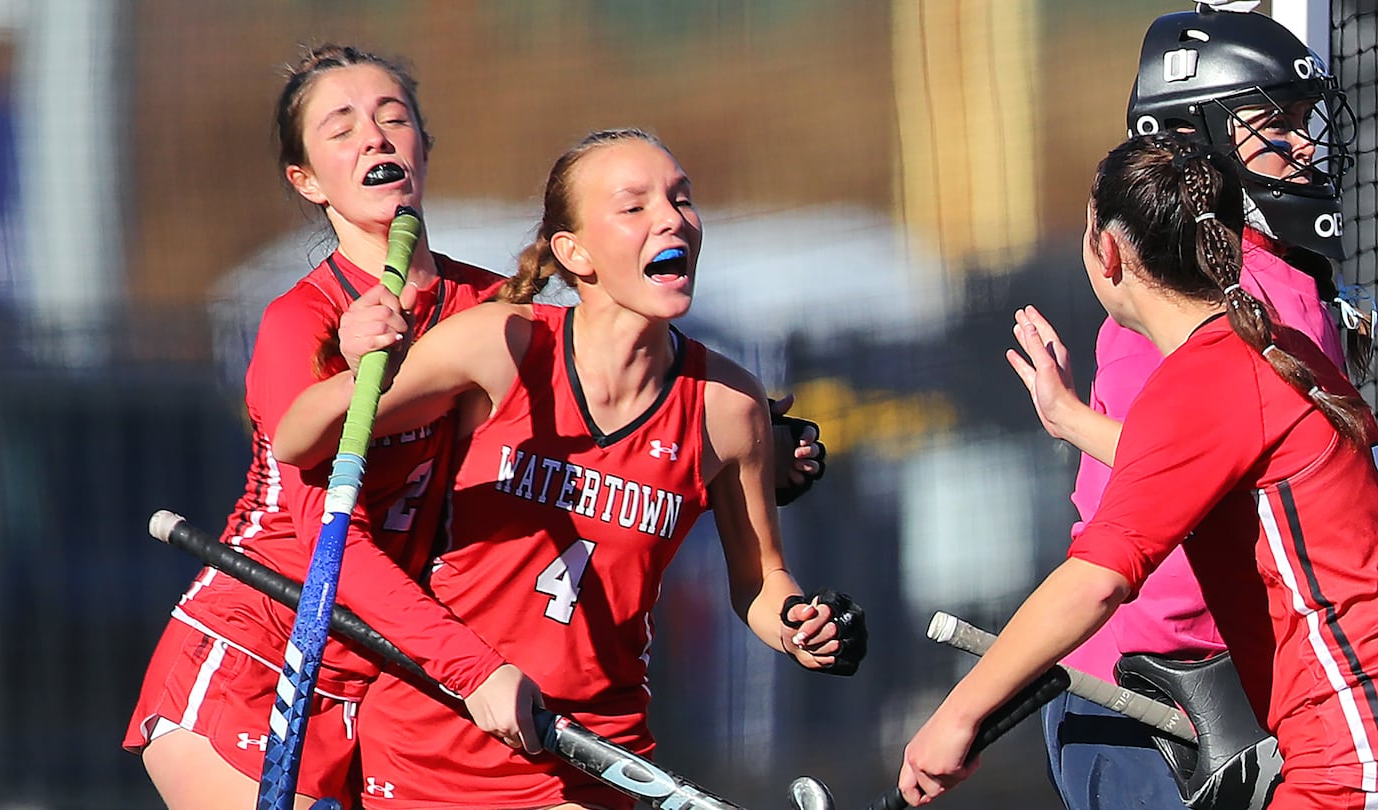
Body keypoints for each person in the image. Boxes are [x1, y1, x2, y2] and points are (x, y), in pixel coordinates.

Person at [123, 46, 829, 810]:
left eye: (394, 119)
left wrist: (755, 438)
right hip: (265, 647)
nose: (375, 138)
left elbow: (601, 377)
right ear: (305, 179)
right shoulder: (304, 321)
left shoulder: (491, 314)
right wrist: (472, 668)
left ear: (424, 145)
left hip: (391, 673)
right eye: (342, 128)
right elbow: (337, 540)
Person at [273, 127, 869, 809]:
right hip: (431, 748)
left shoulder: (727, 407)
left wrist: (798, 624)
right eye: (635, 206)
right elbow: (296, 440)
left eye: (681, 199)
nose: (672, 218)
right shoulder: (504, 344)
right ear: (573, 252)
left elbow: (760, 580)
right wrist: (371, 361)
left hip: (590, 755)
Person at [898, 130, 1378, 810]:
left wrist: (956, 717)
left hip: (1352, 758)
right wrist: (1068, 419)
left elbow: (1095, 582)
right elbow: (1200, 468)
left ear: (1110, 252)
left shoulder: (1207, 381)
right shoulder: (1267, 345)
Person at [1039, 6, 1357, 809]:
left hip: (1235, 679)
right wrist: (1075, 422)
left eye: (1302, 121)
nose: (1305, 145)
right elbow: (1186, 472)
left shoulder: (1271, 280)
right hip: (1150, 697)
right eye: (1273, 124)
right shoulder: (1205, 296)